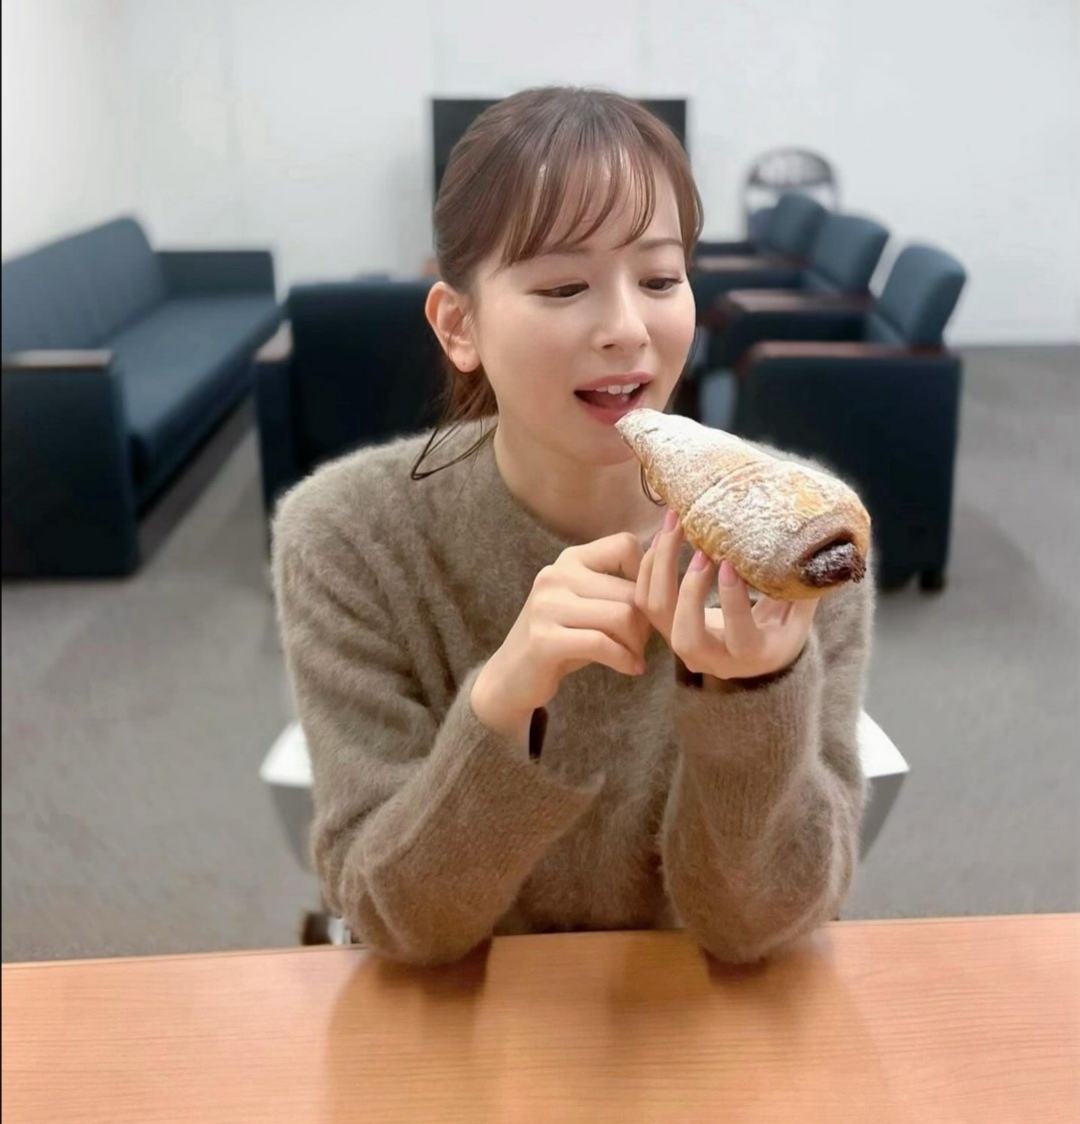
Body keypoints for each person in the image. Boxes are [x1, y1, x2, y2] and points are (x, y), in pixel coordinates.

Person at [273, 86, 874, 967]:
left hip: (692, 1014)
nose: (627, 329)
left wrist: (756, 696)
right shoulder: (350, 536)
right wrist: (502, 700)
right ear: (459, 325)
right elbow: (398, 922)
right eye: (564, 285)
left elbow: (764, 926)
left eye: (661, 279)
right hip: (473, 1020)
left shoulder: (798, 542)